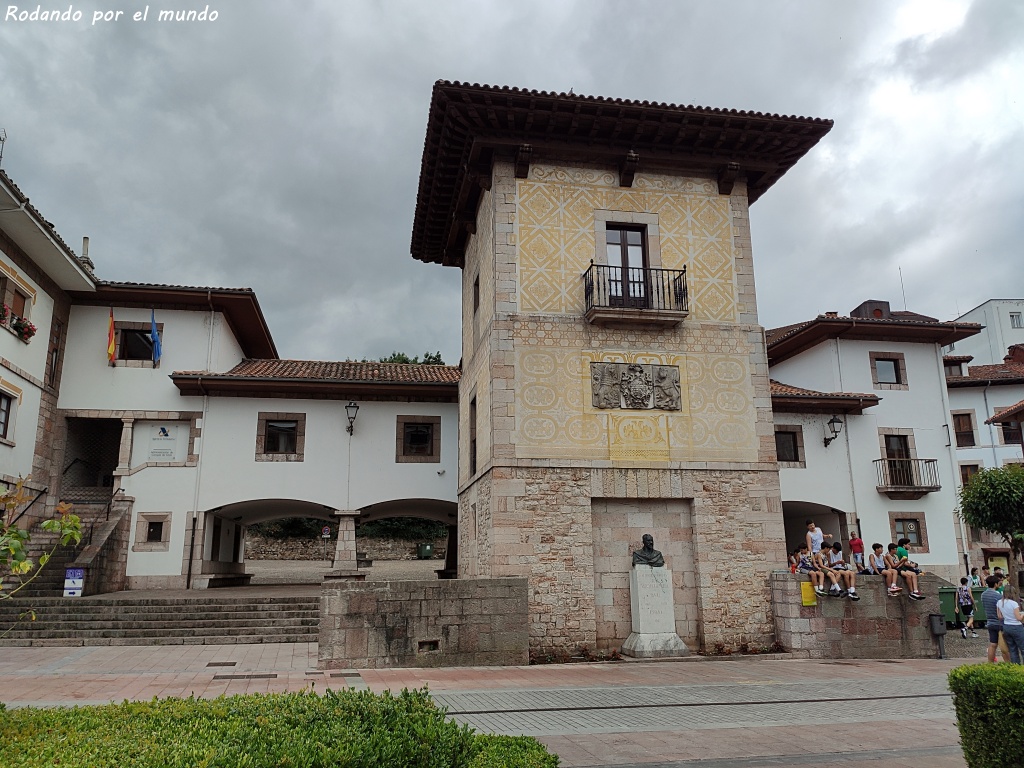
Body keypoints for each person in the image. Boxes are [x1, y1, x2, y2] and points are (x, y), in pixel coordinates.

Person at [996, 584, 1024, 664]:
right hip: (1017, 627)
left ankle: (1015, 666)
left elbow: (999, 616)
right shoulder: (1014, 604)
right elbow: (1018, 618)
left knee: (1012, 649)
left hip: (1006, 626)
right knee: (1022, 648)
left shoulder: (999, 602)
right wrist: (1023, 614)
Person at [980, 575, 1004, 663]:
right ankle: (1008, 664)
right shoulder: (997, 596)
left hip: (990, 622)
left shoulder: (983, 595)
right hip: (999, 622)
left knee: (993, 644)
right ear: (995, 584)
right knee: (1004, 646)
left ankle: (990, 663)